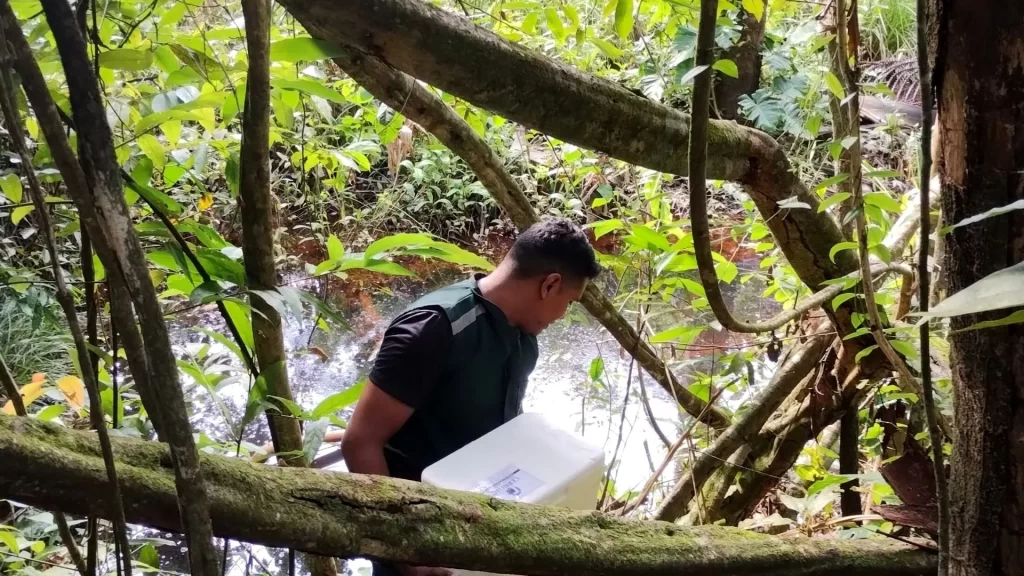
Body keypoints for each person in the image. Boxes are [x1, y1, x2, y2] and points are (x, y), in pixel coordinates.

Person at [342, 218, 601, 576]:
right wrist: (410, 559)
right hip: (419, 535)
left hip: (476, 521)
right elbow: (360, 443)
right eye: (569, 302)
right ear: (549, 285)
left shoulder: (523, 334)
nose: (562, 315)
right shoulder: (433, 330)